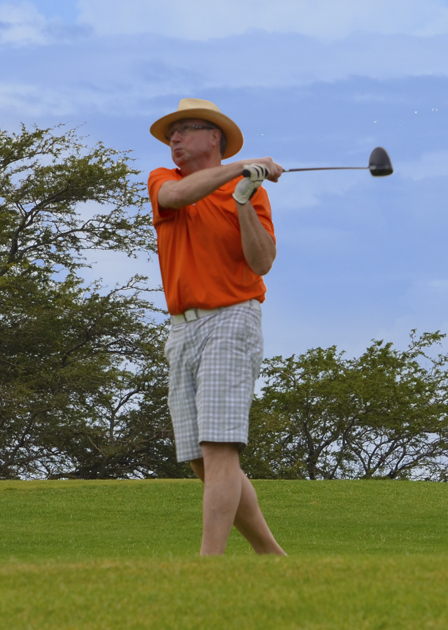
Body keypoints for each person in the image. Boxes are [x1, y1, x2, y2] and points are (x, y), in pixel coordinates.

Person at [146, 98, 286, 556]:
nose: (175, 139)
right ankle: (272, 556)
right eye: (173, 133)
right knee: (200, 459)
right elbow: (176, 199)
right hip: (181, 329)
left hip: (232, 316)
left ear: (214, 139)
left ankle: (208, 566)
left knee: (220, 447)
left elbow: (262, 260)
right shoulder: (164, 180)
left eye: (186, 129)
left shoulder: (250, 191)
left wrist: (244, 199)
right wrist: (243, 169)